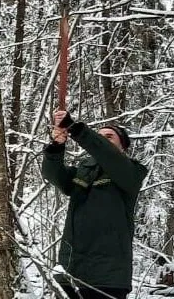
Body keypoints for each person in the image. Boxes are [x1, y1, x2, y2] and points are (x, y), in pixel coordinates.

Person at [42, 110, 148, 299]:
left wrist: (75, 129)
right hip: (71, 269)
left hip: (108, 277)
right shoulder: (83, 172)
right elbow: (53, 174)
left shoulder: (130, 172)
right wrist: (57, 146)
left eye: (109, 136)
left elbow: (107, 154)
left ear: (122, 147)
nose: (103, 140)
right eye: (99, 137)